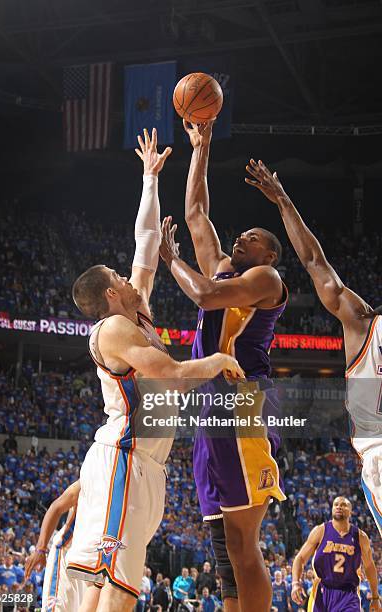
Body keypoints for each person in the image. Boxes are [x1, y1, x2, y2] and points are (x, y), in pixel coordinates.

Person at [66, 128, 244, 612]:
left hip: (147, 465)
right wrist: (219, 360)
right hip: (124, 458)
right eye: (119, 278)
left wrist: (149, 177)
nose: (129, 277)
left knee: (110, 585)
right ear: (109, 295)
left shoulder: (136, 307)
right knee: (117, 590)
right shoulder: (112, 330)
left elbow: (145, 242)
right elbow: (169, 370)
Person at [159, 120, 287, 612]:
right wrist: (202, 146)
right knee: (225, 543)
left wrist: (172, 261)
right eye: (243, 235)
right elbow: (195, 212)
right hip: (211, 406)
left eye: (253, 238)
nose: (243, 239)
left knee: (244, 541)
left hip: (244, 404)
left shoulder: (266, 278)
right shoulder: (225, 266)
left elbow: (206, 295)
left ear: (269, 255)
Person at [244, 159, 382, 536]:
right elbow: (313, 262)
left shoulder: (364, 322)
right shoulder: (364, 323)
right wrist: (284, 202)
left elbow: (314, 263)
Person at [291, 496, 380, 611]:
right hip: (322, 592)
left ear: (351, 511)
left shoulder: (361, 537)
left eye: (343, 505)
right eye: (336, 504)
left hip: (349, 594)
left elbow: (369, 567)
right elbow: (300, 558)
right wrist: (295, 583)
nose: (339, 507)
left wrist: (375, 597)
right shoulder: (320, 531)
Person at [24, 479, 84, 611]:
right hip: (68, 554)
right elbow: (56, 508)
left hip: (92, 562)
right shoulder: (94, 473)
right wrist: (40, 549)